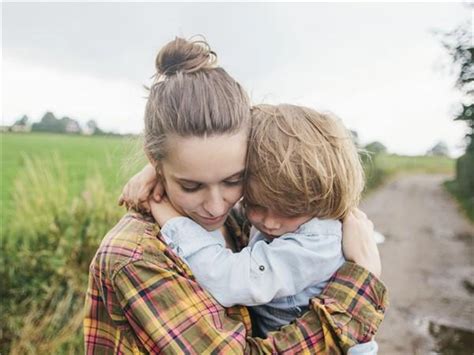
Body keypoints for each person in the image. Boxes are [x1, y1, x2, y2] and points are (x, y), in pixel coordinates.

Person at [84, 37, 387, 354]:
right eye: (191, 185)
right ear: (155, 159)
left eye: (234, 180)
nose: (217, 206)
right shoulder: (135, 259)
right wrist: (359, 285)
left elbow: (301, 163)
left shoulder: (246, 215)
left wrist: (169, 173)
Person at [144, 103, 367, 338]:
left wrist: (167, 214)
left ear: (320, 198)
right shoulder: (287, 206)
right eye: (256, 205)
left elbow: (228, 278)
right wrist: (159, 171)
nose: (270, 223)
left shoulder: (317, 243)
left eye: (290, 211)